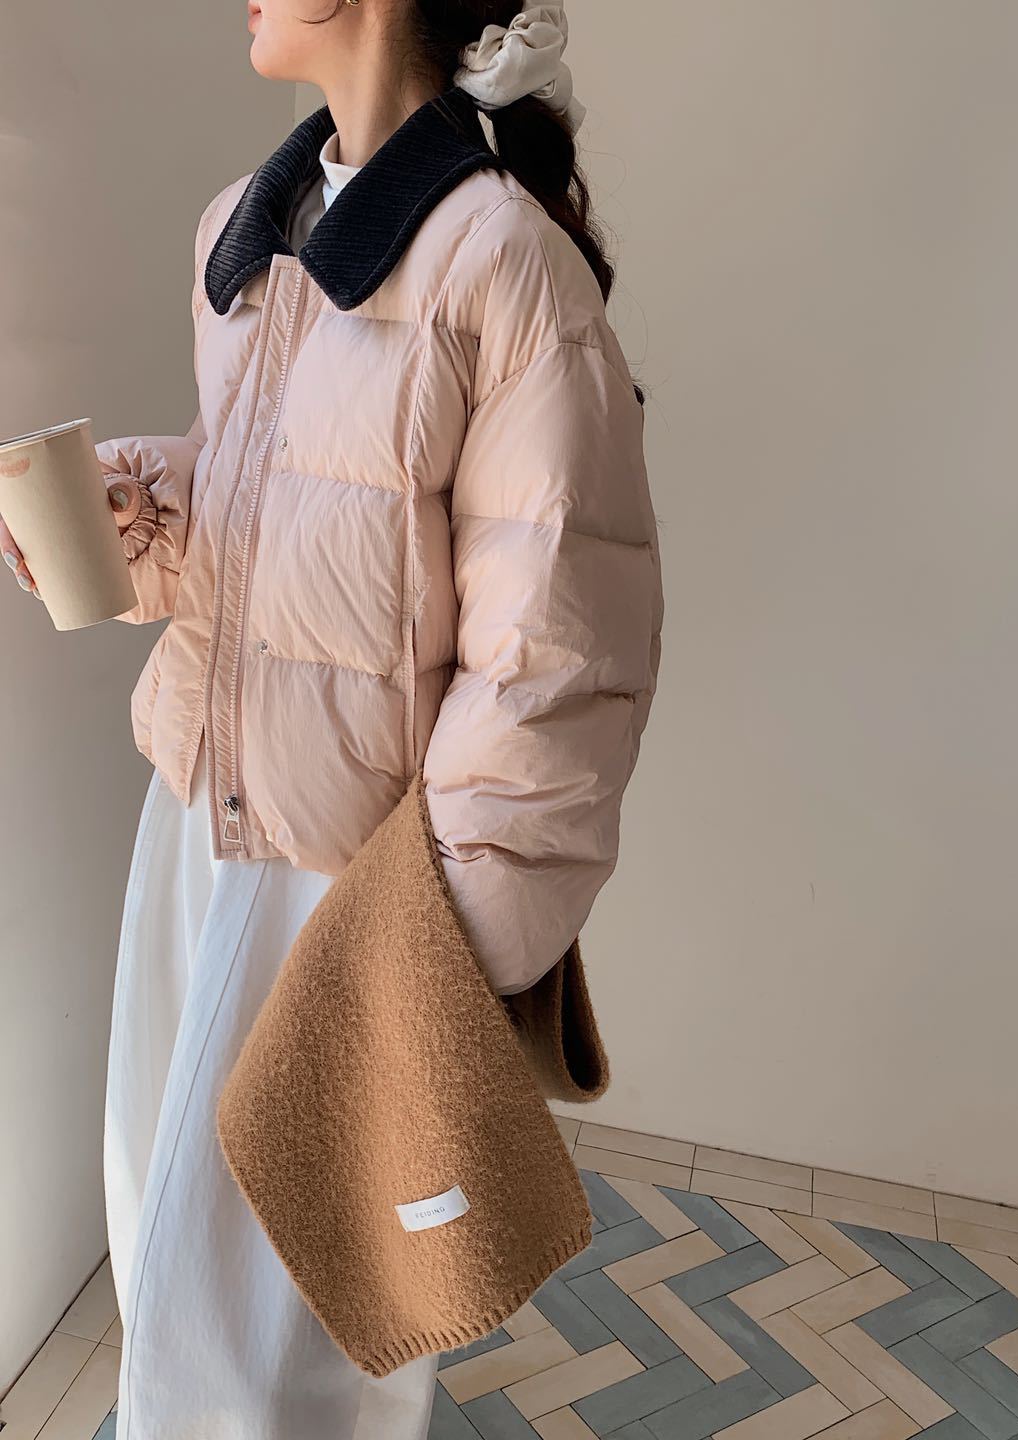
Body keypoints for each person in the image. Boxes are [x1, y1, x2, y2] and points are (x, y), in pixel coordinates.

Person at [1, 2, 663, 1436]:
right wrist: (133, 523)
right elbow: (286, 538)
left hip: (347, 884)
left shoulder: (504, 261)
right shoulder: (242, 231)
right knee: (165, 1261)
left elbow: (556, 651)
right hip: (195, 824)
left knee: (268, 1347)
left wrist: (438, 938)